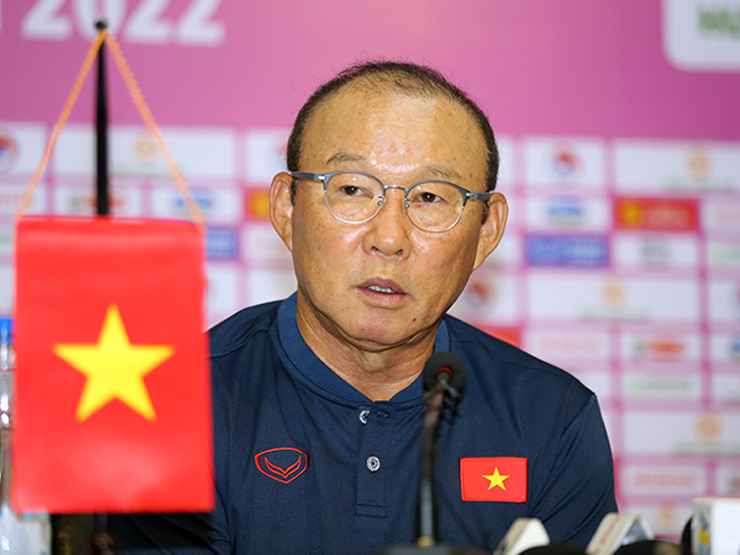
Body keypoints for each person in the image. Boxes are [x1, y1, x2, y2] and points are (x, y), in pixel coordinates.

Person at [114, 60, 617, 554]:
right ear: (286, 207)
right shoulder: (178, 402)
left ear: (487, 230)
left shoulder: (551, 417)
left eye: (430, 198)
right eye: (352, 189)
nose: (389, 238)